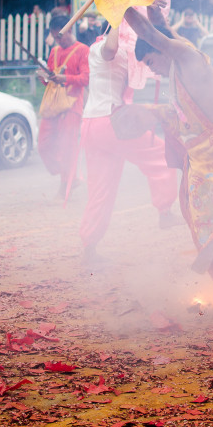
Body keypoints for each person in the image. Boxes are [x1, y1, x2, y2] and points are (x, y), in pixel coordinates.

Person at [124, 2, 213, 299]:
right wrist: (156, 13)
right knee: (197, 217)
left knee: (206, 221)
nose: (152, 70)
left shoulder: (185, 56)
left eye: (149, 62)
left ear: (161, 50)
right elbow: (160, 30)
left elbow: (151, 32)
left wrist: (122, 3)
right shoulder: (180, 58)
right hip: (203, 152)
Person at [78, 21, 180, 263]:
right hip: (110, 122)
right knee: (159, 152)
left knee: (102, 188)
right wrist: (117, 16)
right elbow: (110, 49)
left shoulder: (123, 52)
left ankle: (89, 247)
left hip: (94, 124)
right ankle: (165, 210)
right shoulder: (100, 47)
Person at [37, 15, 89, 198]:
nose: (57, 41)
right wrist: (44, 78)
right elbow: (52, 81)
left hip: (73, 104)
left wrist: (65, 79)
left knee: (67, 146)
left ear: (69, 30)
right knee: (43, 145)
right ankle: (70, 176)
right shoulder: (54, 52)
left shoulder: (83, 50)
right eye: (55, 37)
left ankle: (65, 184)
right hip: (53, 105)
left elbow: (86, 78)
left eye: (59, 36)